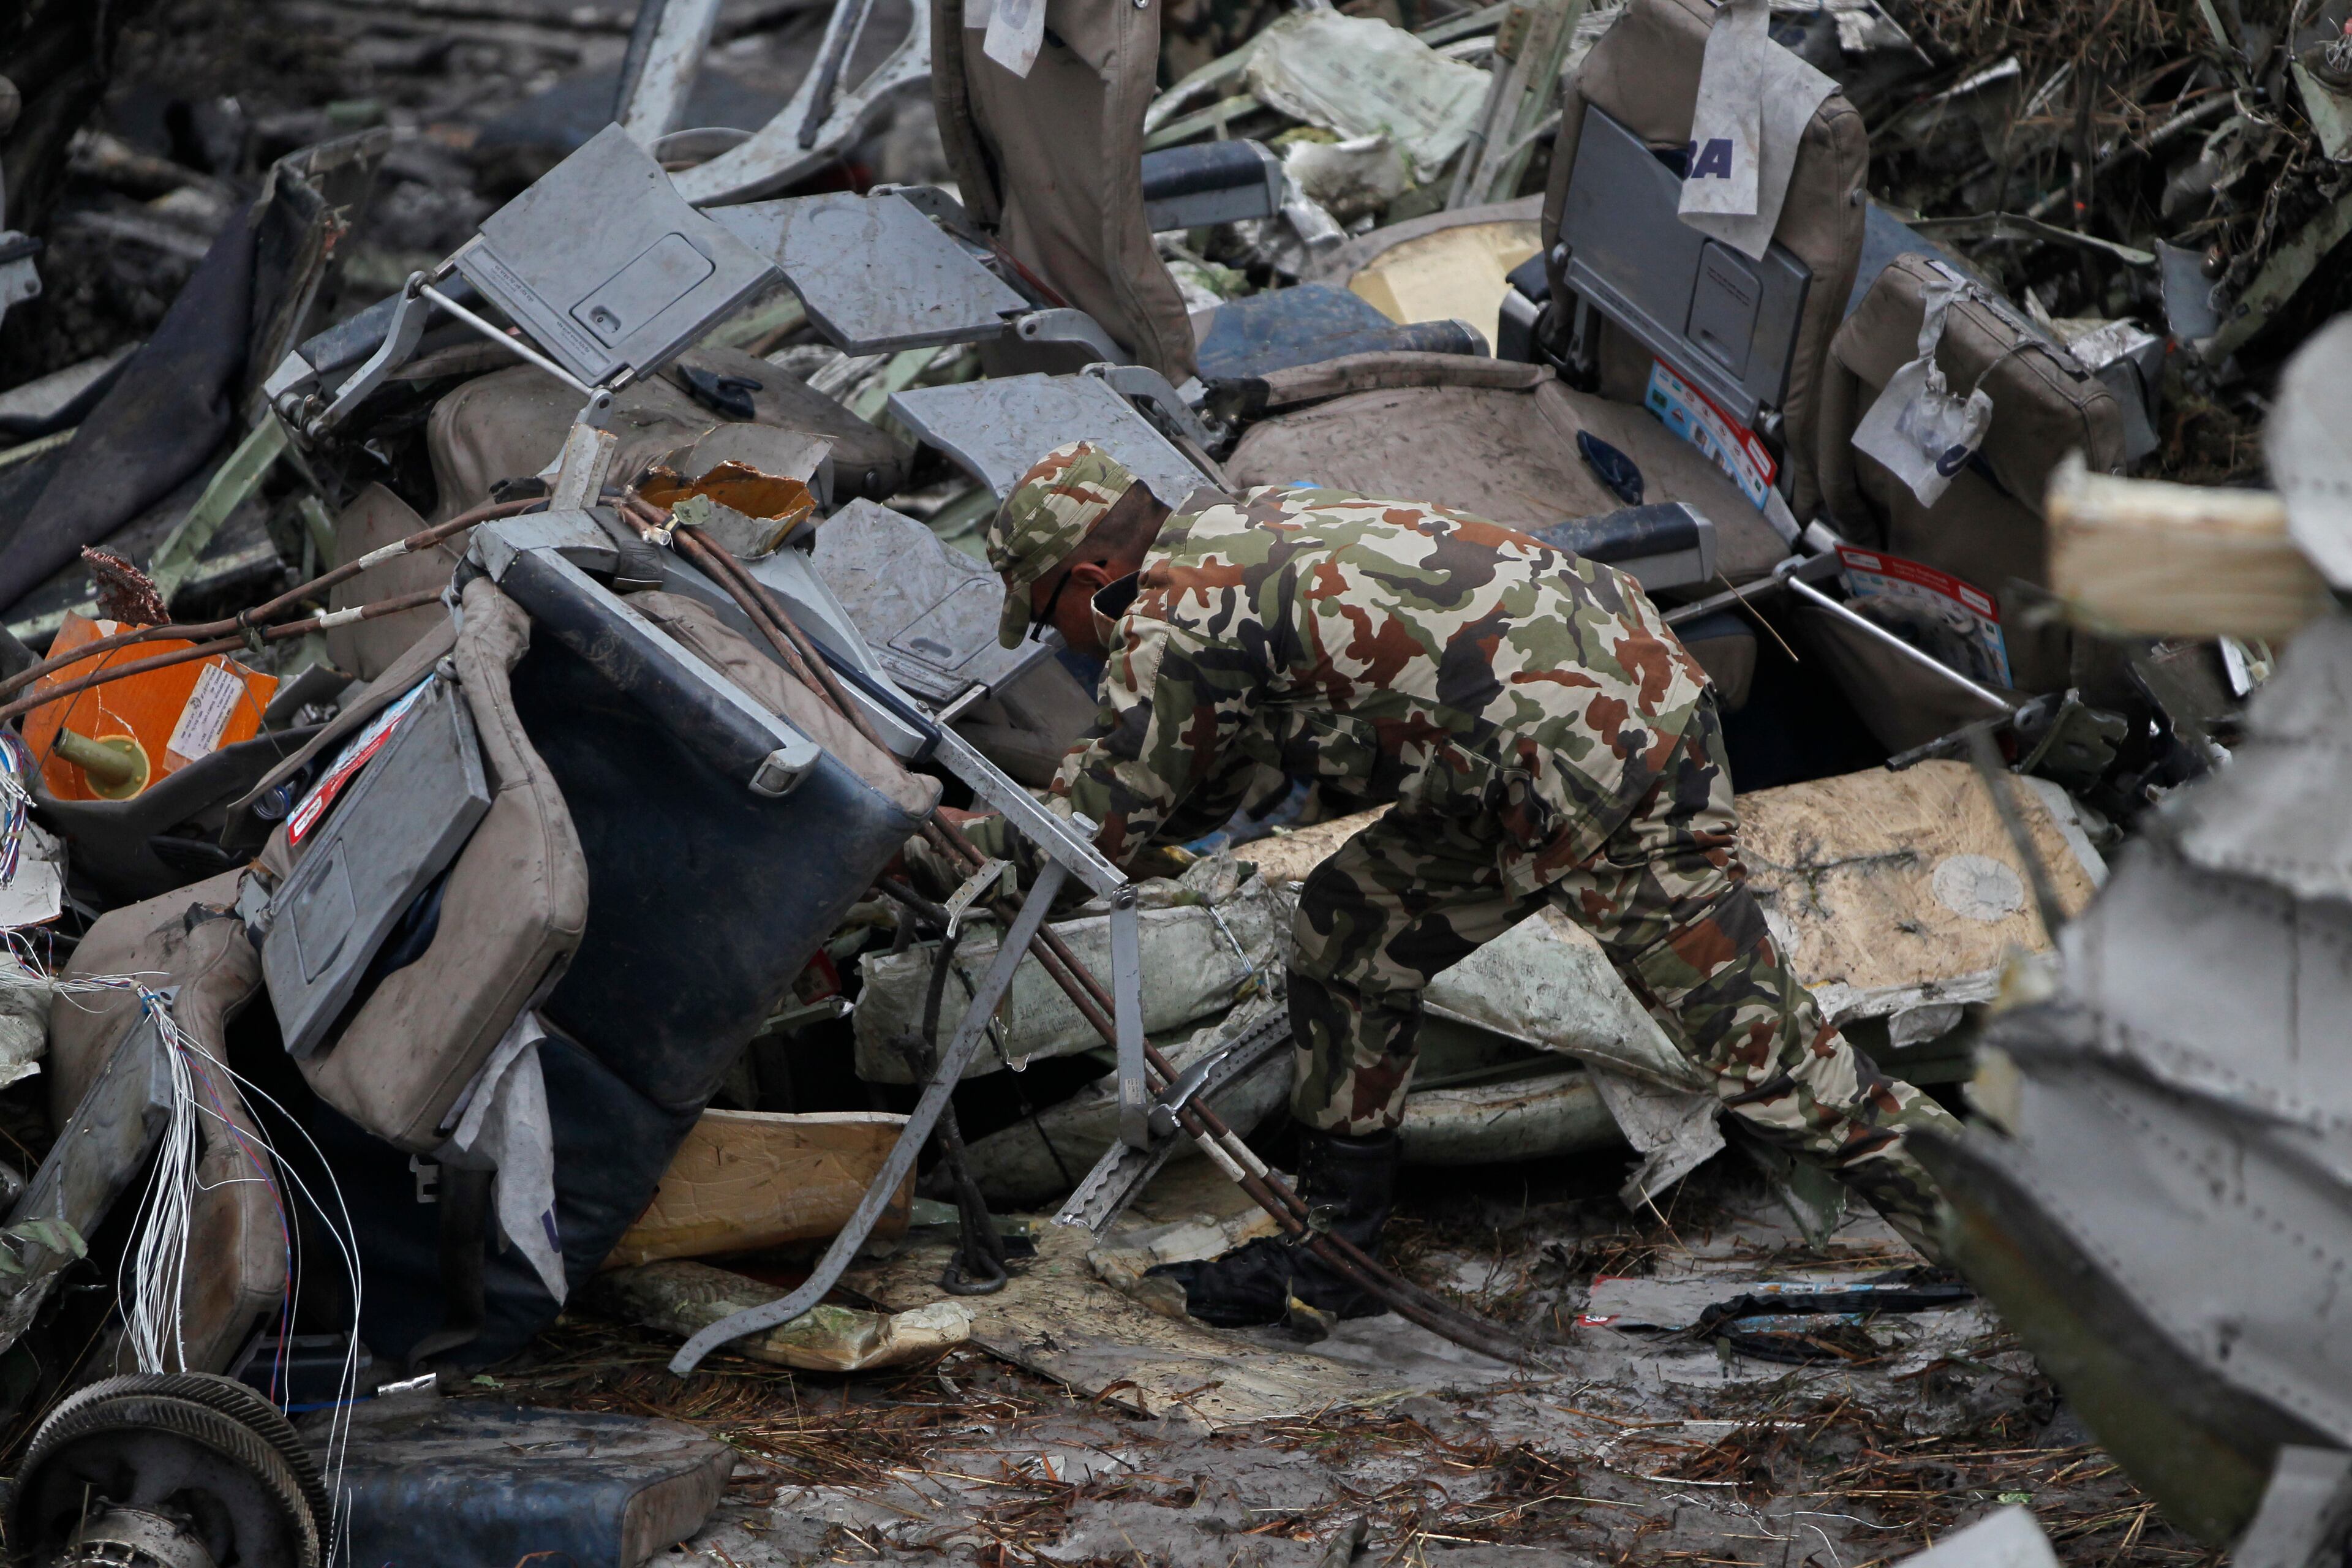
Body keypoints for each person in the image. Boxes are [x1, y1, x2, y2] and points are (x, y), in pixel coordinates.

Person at [943, 440, 1962, 1328]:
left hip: (1603, 765)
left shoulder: (1174, 618)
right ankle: (1331, 1265)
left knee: (1771, 1066)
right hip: (1560, 733)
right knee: (1351, 934)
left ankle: (2038, 1255)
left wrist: (940, 845)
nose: (1059, 644)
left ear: (1090, 576)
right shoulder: (1234, 528)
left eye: (1047, 620)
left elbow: (1087, 834)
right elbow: (1222, 765)